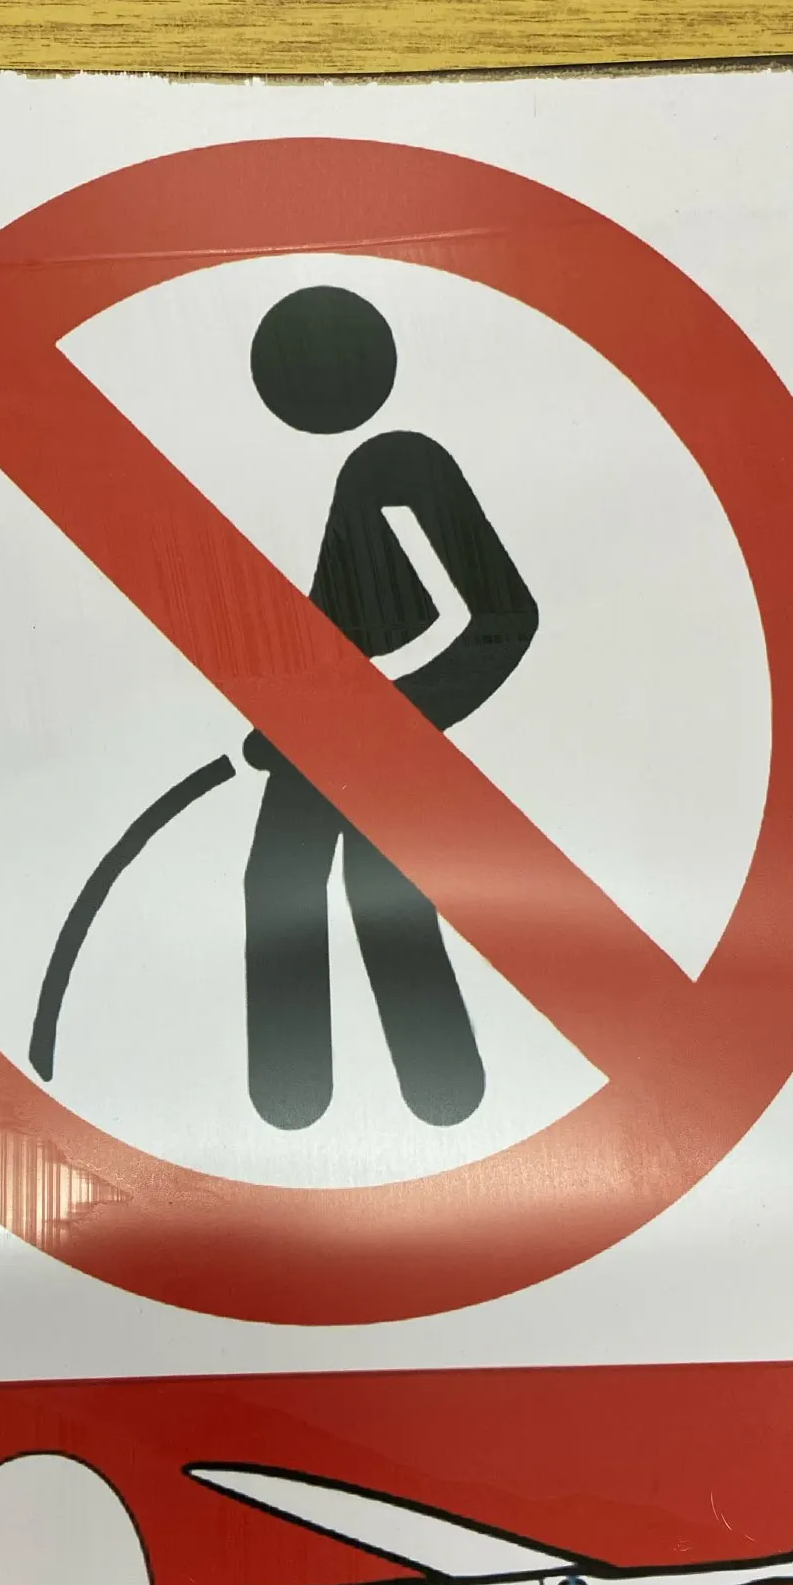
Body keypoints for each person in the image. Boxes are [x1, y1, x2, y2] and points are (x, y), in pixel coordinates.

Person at [244, 285, 539, 1130]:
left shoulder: (402, 466)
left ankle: (441, 1086)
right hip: (320, 733)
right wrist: (294, 719)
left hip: (379, 734)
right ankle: (290, 1098)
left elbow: (503, 619)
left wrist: (389, 718)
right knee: (279, 882)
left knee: (383, 882)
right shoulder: (294, 486)